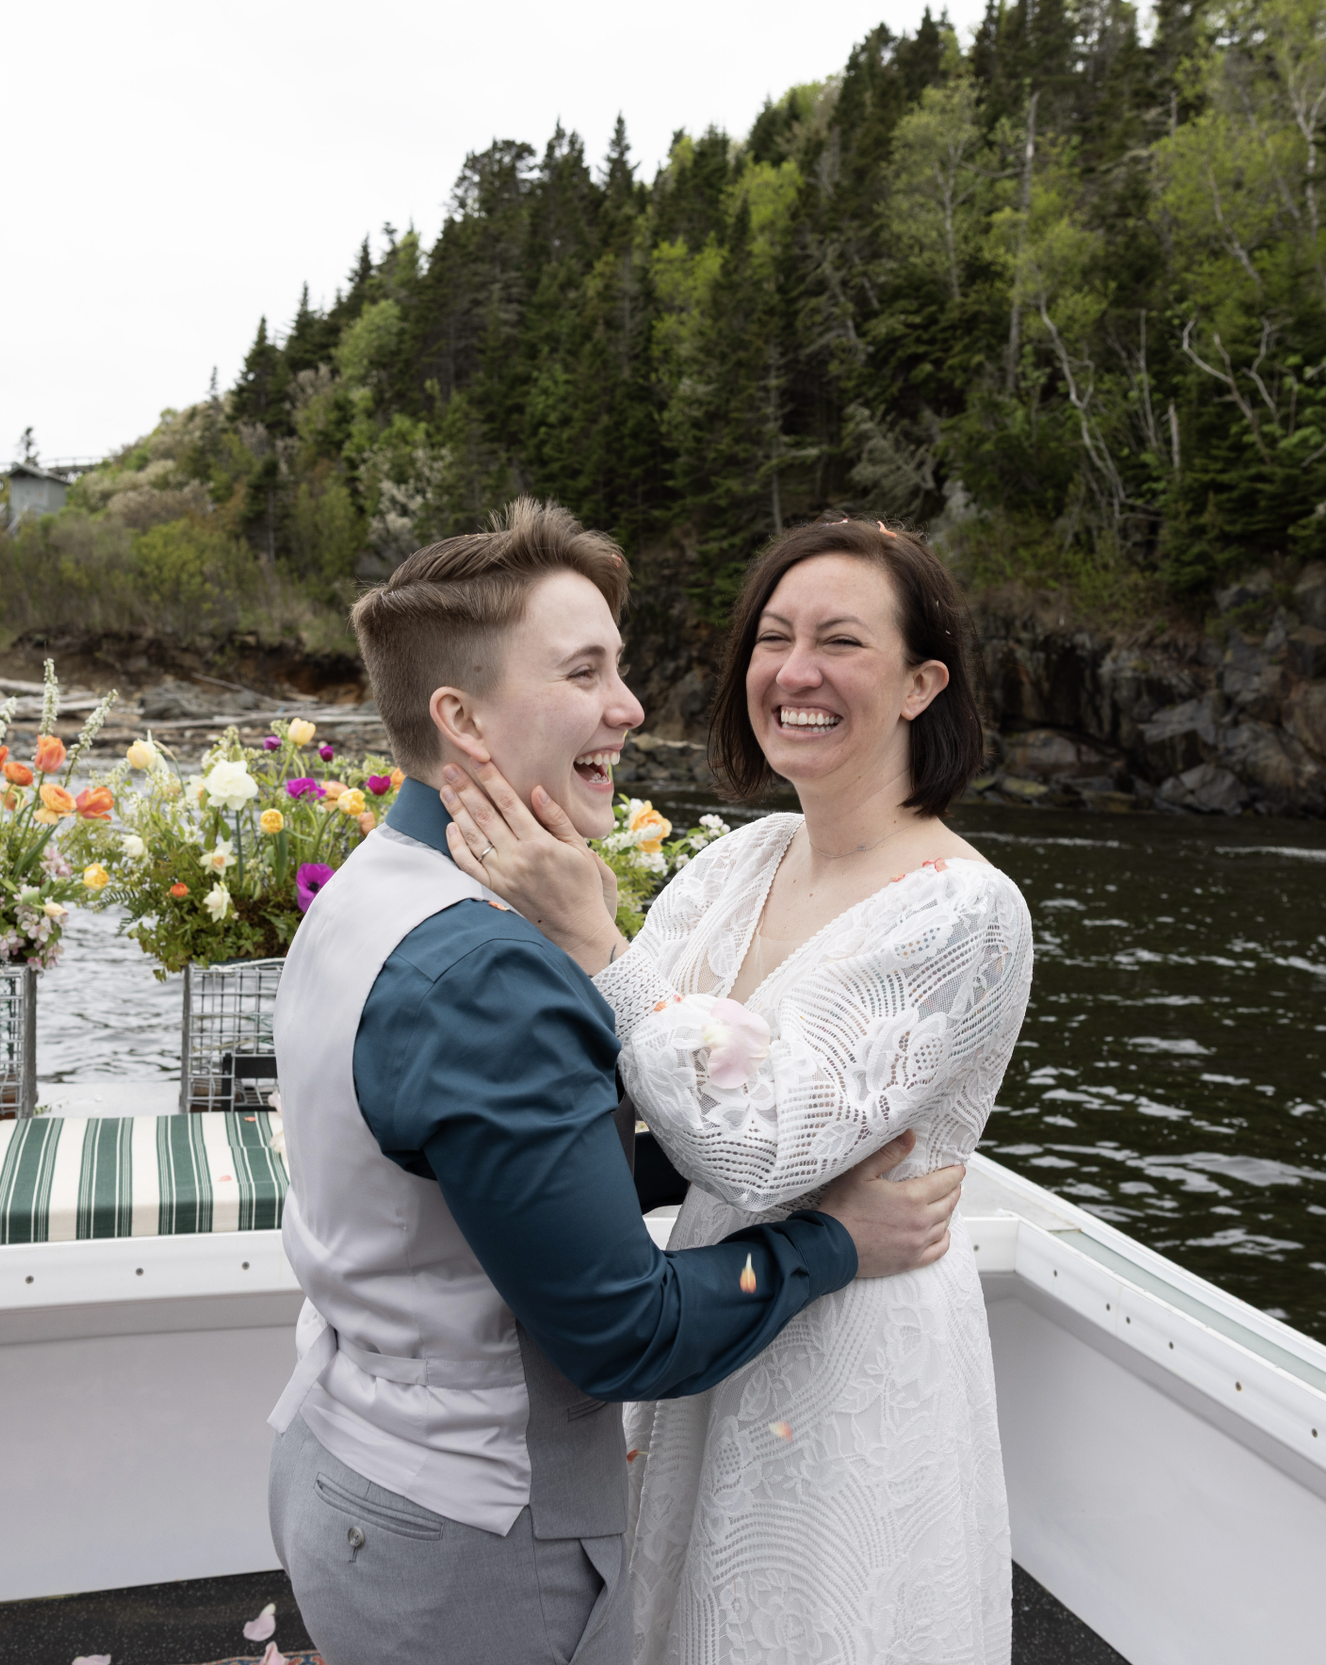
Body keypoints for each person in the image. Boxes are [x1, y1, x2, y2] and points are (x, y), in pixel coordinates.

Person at [266, 500, 969, 1665]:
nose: (631, 707)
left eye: (620, 667)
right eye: (584, 671)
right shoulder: (489, 972)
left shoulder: (368, 889)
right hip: (473, 1537)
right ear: (462, 720)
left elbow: (486, 1170)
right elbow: (626, 1335)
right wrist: (836, 1241)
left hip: (344, 1459)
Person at [442, 516, 1034, 1665]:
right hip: (719, 1306)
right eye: (773, 638)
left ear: (921, 685)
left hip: (855, 1336)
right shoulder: (738, 861)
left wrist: (595, 939)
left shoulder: (964, 911)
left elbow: (764, 1149)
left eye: (840, 642)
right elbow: (626, 1068)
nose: (794, 672)